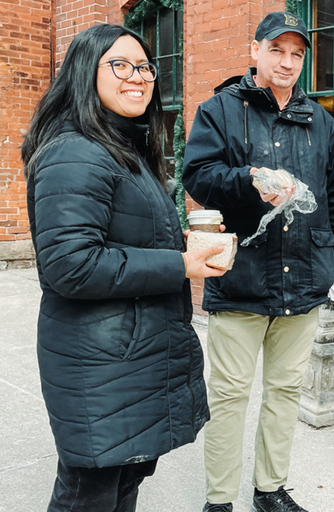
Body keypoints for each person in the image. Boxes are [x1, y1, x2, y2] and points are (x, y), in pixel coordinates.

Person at [21, 24, 226, 512]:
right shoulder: (75, 152)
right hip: (100, 366)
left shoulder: (121, 148)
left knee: (120, 489)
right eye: (120, 65)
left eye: (145, 67)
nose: (137, 77)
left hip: (126, 361)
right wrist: (180, 263)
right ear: (84, 72)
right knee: (87, 498)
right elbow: (70, 265)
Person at [182, 11, 334, 512]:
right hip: (240, 276)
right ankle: (219, 502)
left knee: (285, 391)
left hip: (304, 278)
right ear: (255, 51)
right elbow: (197, 177)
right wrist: (249, 181)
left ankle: (271, 491)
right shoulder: (219, 110)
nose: (287, 62)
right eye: (277, 50)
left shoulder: (322, 122)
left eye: (297, 54)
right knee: (229, 397)